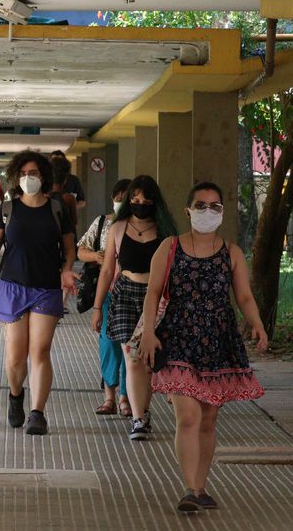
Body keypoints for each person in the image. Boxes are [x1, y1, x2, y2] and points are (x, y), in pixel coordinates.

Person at [137, 181, 268, 513]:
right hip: (178, 338)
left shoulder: (231, 252)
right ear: (188, 210)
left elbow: (244, 296)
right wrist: (149, 332)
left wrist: (257, 323)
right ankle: (190, 489)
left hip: (218, 342)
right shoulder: (169, 247)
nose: (208, 212)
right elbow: (152, 293)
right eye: (201, 205)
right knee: (189, 416)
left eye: (215, 206)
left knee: (208, 418)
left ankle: (201, 485)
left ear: (222, 212)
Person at [0, 150, 77, 436]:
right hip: (13, 286)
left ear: (43, 177)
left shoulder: (56, 209)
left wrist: (67, 270)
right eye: (23, 174)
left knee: (40, 351)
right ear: (16, 177)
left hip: (46, 287)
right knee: (15, 357)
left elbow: (69, 249)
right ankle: (16, 394)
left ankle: (37, 413)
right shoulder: (8, 209)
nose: (28, 178)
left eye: (34, 173)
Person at [90, 175, 177, 441]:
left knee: (147, 359)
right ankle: (139, 419)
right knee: (132, 357)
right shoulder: (118, 228)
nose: (140, 204)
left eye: (145, 199)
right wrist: (96, 308)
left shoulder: (165, 232)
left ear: (154, 201)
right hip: (126, 294)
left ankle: (144, 410)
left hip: (157, 297)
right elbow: (106, 272)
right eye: (135, 199)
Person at [77, 178, 132, 416]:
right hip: (107, 292)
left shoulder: (143, 227)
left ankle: (126, 397)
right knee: (109, 345)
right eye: (117, 198)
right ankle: (109, 395)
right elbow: (81, 250)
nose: (121, 202)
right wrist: (96, 257)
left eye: (125, 198)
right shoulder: (103, 223)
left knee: (130, 347)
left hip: (133, 294)